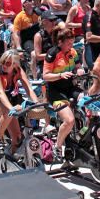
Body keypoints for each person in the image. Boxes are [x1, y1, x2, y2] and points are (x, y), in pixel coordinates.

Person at [0, 48, 38, 148]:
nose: (3, 65)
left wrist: (36, 103)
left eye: (8, 63)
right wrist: (11, 108)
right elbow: (0, 92)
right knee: (8, 110)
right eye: (2, 62)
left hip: (7, 103)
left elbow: (28, 88)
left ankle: (11, 156)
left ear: (15, 64)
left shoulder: (18, 70)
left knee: (17, 139)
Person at [42, 28, 81, 162]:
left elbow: (78, 66)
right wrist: (60, 75)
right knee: (69, 121)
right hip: (55, 91)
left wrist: (80, 70)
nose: (71, 46)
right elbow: (45, 76)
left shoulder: (73, 52)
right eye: (69, 43)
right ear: (60, 42)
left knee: (89, 104)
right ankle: (58, 146)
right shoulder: (52, 53)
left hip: (71, 88)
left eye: (72, 43)